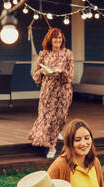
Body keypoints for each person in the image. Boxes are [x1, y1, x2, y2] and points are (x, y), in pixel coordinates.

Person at [47, 119, 104, 187]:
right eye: (78, 140)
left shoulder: (95, 163)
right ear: (69, 143)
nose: (84, 143)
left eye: (87, 138)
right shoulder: (60, 165)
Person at [28, 28, 74, 159]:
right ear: (50, 40)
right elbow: (36, 76)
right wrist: (42, 72)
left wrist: (61, 72)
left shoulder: (68, 54)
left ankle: (55, 132)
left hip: (63, 91)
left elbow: (70, 76)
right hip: (47, 91)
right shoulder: (44, 54)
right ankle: (51, 147)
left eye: (60, 38)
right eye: (55, 38)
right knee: (47, 117)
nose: (58, 40)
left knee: (60, 118)